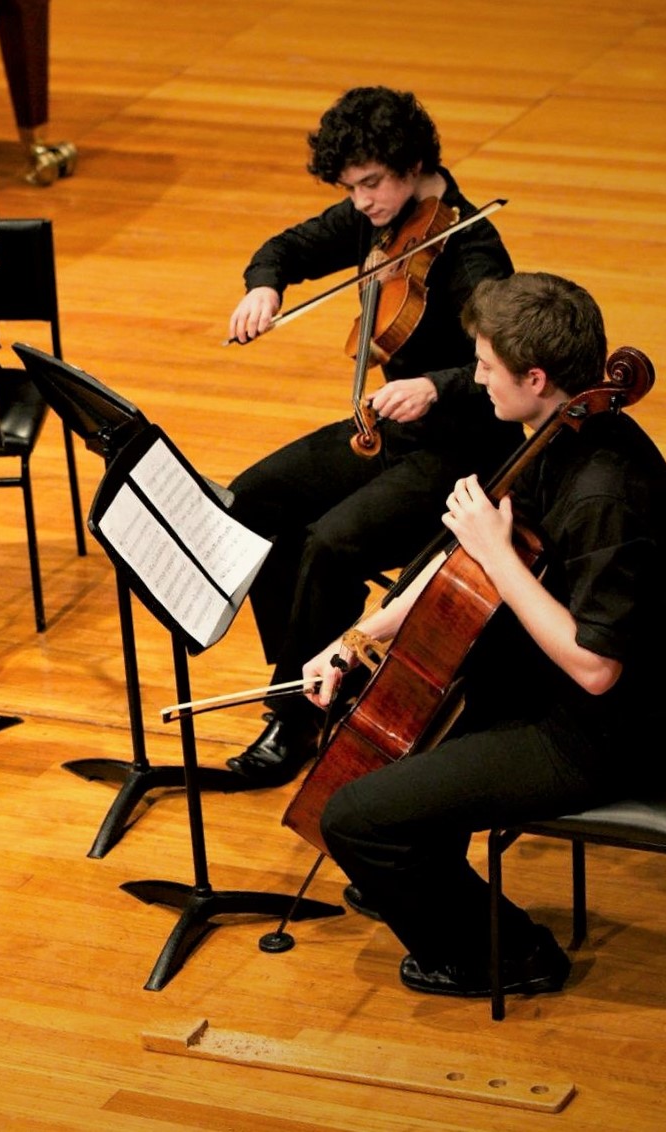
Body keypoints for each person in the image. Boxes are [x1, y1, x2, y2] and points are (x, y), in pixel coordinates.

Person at [308, 272, 666, 997]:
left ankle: (511, 955)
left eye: (486, 367)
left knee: (354, 818)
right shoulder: (558, 431)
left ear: (535, 376)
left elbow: (594, 668)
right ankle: (418, 867)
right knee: (405, 756)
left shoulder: (603, 492)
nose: (476, 379)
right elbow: (466, 572)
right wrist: (357, 636)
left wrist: (492, 550)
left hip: (612, 734)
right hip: (564, 695)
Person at [221, 86, 522, 787]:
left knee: (328, 543)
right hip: (390, 425)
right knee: (255, 499)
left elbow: (504, 366)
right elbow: (286, 247)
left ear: (413, 164)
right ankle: (318, 669)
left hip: (459, 447)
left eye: (370, 184)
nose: (359, 202)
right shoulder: (378, 218)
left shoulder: (471, 250)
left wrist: (437, 385)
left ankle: (293, 715)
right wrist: (264, 285)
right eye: (349, 188)